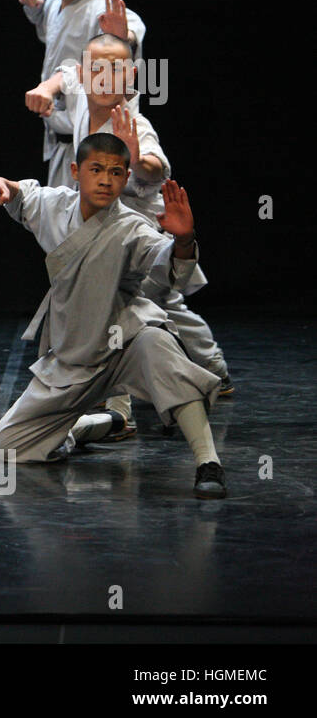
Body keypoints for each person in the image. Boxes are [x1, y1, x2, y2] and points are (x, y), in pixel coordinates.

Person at [0, 133, 226, 499]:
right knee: (6, 446)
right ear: (77, 171)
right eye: (96, 170)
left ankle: (209, 463)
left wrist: (184, 240)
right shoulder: (55, 206)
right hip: (73, 353)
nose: (106, 180)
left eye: (115, 172)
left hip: (125, 343)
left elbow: (169, 268)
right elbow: (21, 194)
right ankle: (91, 426)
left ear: (126, 178)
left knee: (159, 343)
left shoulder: (132, 226)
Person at [55, 34, 234, 438]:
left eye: (115, 69)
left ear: (131, 76)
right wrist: (46, 89)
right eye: (96, 68)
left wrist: (138, 160)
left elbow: (155, 167)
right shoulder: (85, 100)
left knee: (145, 307)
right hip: (105, 235)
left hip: (140, 235)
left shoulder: (132, 121)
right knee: (144, 308)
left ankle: (207, 371)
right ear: (84, 75)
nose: (104, 77)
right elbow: (63, 76)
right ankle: (122, 401)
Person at [19, 0, 147, 187]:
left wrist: (124, 37)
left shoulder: (102, 7)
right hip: (62, 138)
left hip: (100, 139)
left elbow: (131, 30)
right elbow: (39, 1)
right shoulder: (56, 0)